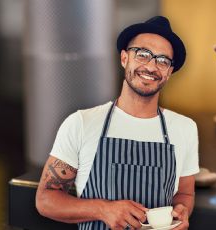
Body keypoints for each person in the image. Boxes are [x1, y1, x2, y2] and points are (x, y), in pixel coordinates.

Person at [35, 16, 199, 230]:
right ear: (124, 58)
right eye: (143, 54)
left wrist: (183, 211)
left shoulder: (185, 128)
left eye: (162, 60)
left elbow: (185, 194)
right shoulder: (82, 123)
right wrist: (103, 209)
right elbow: (46, 200)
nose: (151, 66)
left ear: (168, 73)